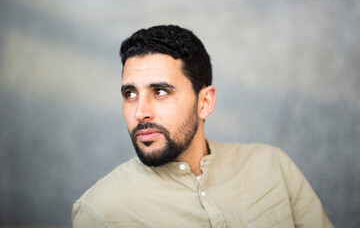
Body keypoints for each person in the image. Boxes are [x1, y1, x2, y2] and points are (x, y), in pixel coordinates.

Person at [72, 25, 333, 227]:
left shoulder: (273, 166)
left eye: (160, 91)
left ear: (205, 102)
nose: (140, 112)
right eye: (130, 94)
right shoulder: (101, 210)